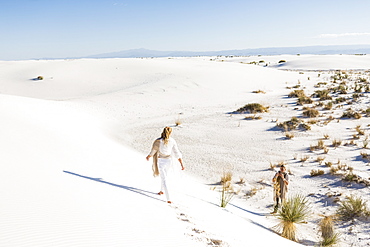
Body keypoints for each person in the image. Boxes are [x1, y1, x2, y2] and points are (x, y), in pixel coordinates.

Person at [146, 127, 185, 204]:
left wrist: (149, 156)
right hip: (169, 161)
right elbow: (177, 153)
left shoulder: (158, 141)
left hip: (161, 161)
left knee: (164, 178)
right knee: (164, 176)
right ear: (170, 133)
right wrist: (181, 164)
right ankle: (161, 191)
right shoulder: (172, 141)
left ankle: (168, 198)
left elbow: (153, 151)